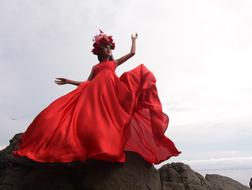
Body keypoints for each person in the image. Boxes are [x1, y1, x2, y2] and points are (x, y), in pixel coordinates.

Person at [12, 30, 181, 164]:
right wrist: (68, 81)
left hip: (111, 95)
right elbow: (87, 83)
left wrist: (133, 39)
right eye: (105, 47)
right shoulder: (95, 67)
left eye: (109, 47)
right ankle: (81, 146)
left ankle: (105, 145)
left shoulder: (113, 63)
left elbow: (132, 53)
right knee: (78, 118)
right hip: (95, 95)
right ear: (99, 51)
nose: (108, 49)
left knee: (135, 83)